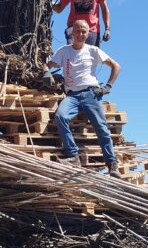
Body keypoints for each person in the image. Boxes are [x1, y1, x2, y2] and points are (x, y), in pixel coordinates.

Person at [43, 20, 121, 178]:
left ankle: (112, 164)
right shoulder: (63, 51)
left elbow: (116, 66)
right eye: (78, 31)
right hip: (72, 95)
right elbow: (47, 65)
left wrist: (108, 86)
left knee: (101, 127)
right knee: (60, 116)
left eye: (84, 31)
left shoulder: (93, 50)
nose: (80, 34)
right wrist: (46, 73)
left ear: (88, 34)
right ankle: (73, 156)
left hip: (91, 93)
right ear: (72, 32)